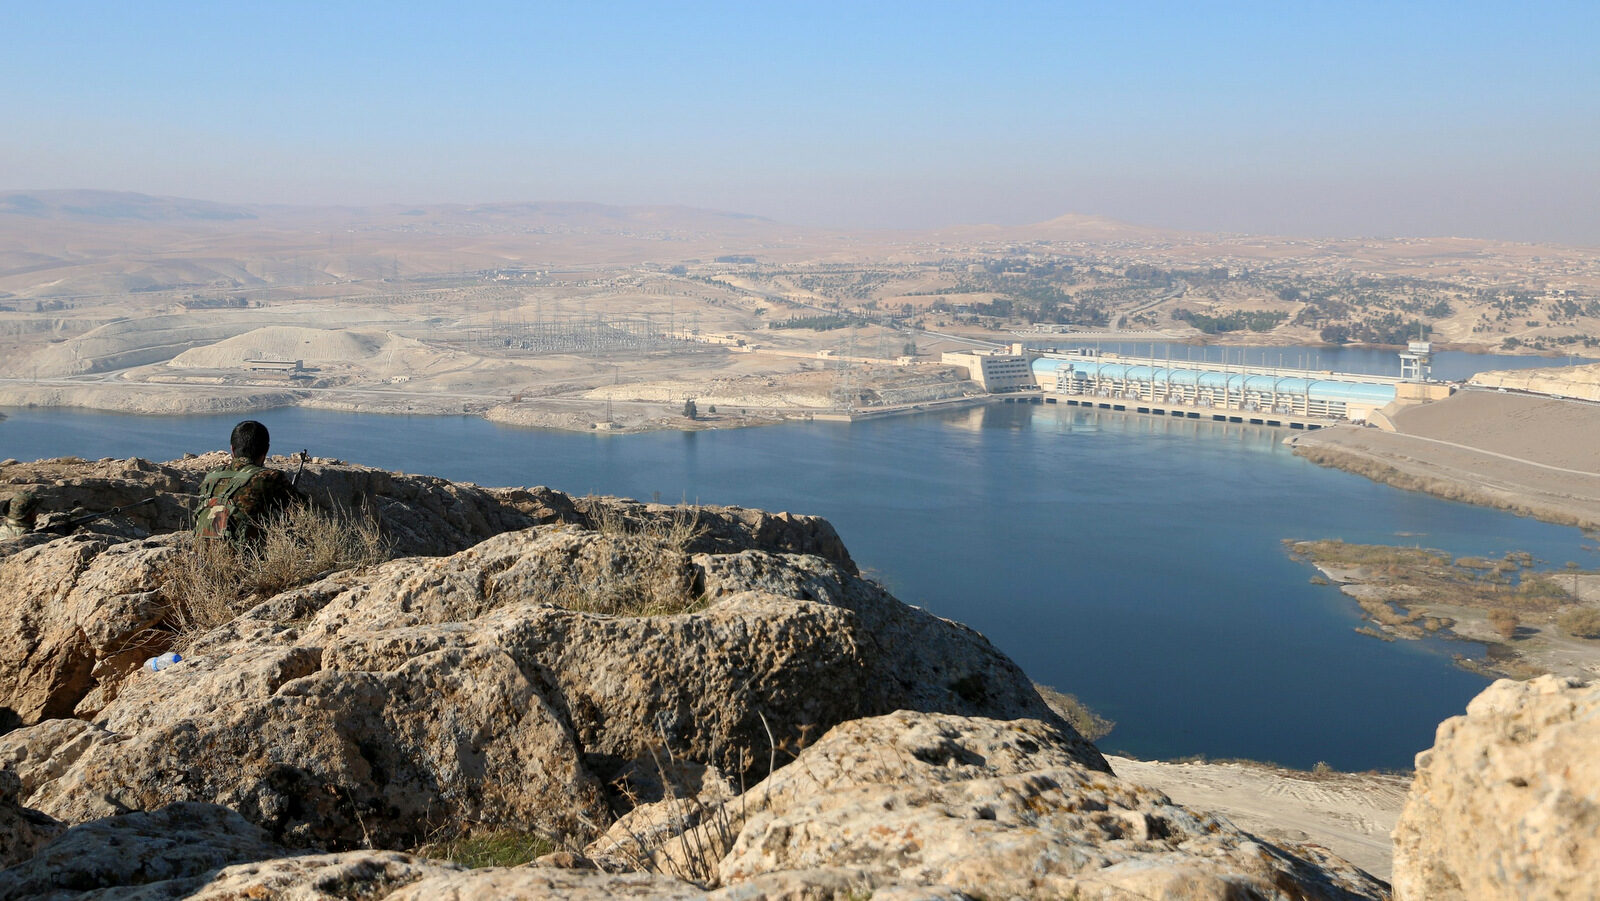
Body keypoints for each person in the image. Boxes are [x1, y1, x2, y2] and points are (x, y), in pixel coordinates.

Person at [194, 420, 305, 545]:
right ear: (266, 450)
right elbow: (303, 511)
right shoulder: (269, 477)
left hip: (201, 556)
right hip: (244, 558)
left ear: (232, 449)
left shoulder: (211, 476)